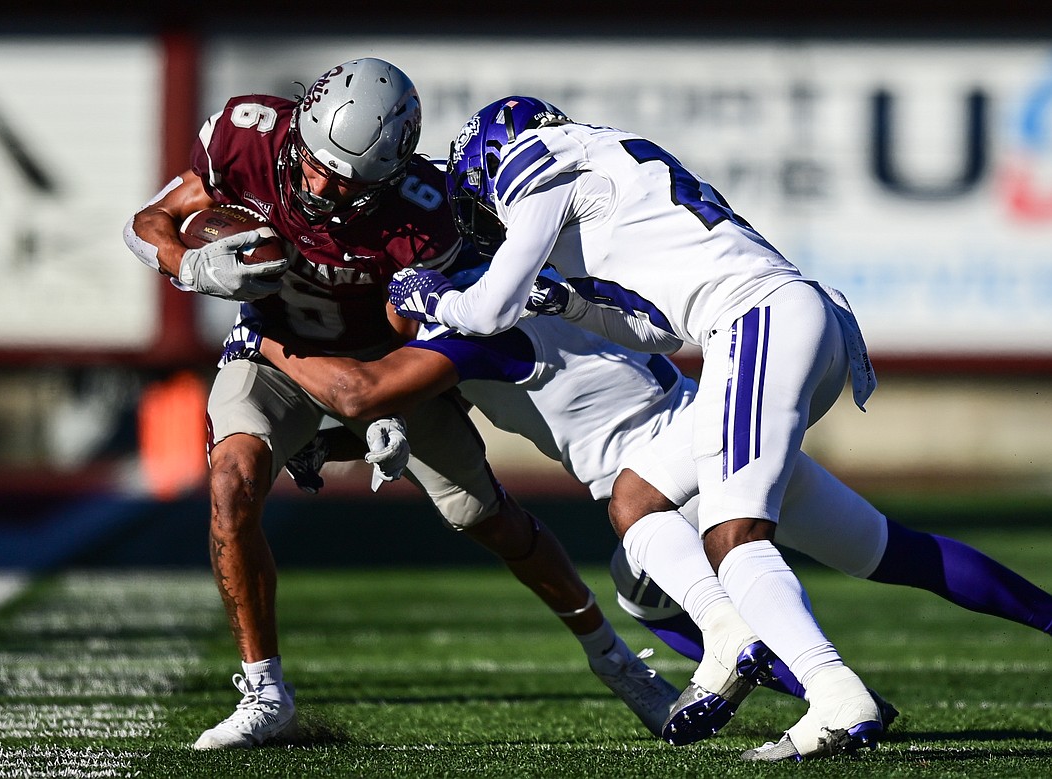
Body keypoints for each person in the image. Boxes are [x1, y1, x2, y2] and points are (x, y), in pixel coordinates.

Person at [255, 251, 1052, 738]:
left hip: (666, 467)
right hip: (716, 421)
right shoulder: (535, 280)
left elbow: (366, 389)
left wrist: (263, 342)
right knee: (895, 551)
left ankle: (806, 675)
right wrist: (342, 438)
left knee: (655, 586)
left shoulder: (465, 326)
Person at [122, 61, 676, 750]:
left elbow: (415, 322)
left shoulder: (421, 206)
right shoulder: (248, 132)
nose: (322, 187)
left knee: (490, 519)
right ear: (301, 126)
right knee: (231, 480)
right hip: (272, 345)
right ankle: (265, 691)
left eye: (348, 181)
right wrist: (187, 263)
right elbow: (148, 221)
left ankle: (613, 657)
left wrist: (383, 401)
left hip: (375, 360)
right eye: (316, 166)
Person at [388, 95, 890, 761]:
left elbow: (487, 311)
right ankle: (734, 644)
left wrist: (434, 298)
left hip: (757, 322)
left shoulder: (533, 165)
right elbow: (658, 328)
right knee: (638, 497)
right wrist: (569, 301)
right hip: (764, 325)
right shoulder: (603, 159)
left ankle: (832, 690)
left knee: (734, 535)